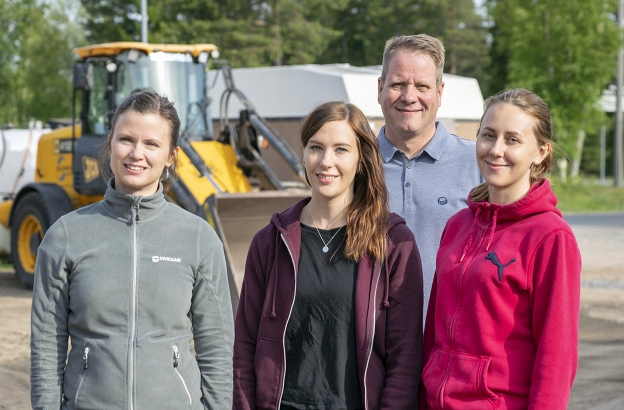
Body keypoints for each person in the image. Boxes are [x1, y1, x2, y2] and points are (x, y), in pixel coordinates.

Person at [30, 91, 234, 409]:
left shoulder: (198, 238)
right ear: (110, 143)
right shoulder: (65, 236)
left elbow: (217, 346)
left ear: (171, 156)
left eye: (152, 144)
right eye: (126, 139)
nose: (136, 153)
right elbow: (46, 344)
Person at [233, 101, 424, 409]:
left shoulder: (393, 243)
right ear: (303, 154)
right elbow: (243, 348)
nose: (325, 161)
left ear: (361, 158)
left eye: (341, 149)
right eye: (316, 147)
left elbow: (406, 359)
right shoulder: (270, 242)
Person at [422, 88, 581, 409]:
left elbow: (556, 358)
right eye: (488, 135)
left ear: (540, 152)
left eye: (512, 140)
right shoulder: (457, 226)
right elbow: (432, 337)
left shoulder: (551, 236)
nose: (496, 150)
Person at [376, 34, 483, 320]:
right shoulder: (353, 165)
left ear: (439, 92)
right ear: (380, 88)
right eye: (398, 84)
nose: (409, 96)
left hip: (448, 348)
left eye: (422, 86)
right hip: (368, 351)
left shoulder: (478, 165)